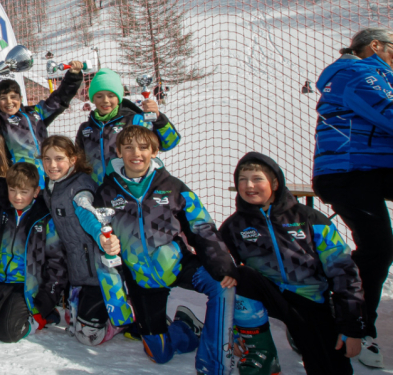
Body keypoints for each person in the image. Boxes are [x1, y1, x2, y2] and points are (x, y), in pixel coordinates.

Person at [95, 125, 237, 375]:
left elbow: (201, 226)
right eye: (128, 147)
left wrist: (222, 265)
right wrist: (103, 243)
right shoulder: (106, 192)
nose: (135, 153)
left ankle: (212, 361)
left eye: (143, 147)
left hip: (179, 265)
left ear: (154, 150)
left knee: (221, 286)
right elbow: (99, 235)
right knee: (159, 354)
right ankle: (185, 328)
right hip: (142, 280)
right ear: (118, 151)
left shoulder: (172, 186)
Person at [221, 153, 364, 375]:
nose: (249, 185)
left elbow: (344, 270)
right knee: (239, 274)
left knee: (331, 367)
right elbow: (220, 269)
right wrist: (233, 330)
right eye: (242, 178)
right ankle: (260, 352)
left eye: (257, 178)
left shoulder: (309, 218)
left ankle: (303, 335)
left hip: (309, 300)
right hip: (269, 294)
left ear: (275, 183)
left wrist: (352, 326)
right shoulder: (233, 226)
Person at [311, 27, 393, 368]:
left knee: (378, 248)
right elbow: (388, 114)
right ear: (374, 46)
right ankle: (351, 321)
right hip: (350, 172)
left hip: (369, 168)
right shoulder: (357, 72)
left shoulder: (372, 73)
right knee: (377, 248)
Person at [0, 163, 66, 343]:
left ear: (36, 192)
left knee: (8, 333)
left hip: (26, 286)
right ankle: (5, 310)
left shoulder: (44, 219)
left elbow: (56, 261)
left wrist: (47, 297)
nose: (17, 197)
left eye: (24, 192)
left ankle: (43, 317)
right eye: (12, 190)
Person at [40, 135, 118, 346]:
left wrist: (100, 235)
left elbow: (87, 213)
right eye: (46, 159)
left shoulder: (79, 185)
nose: (52, 165)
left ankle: (122, 318)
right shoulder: (52, 184)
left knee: (88, 336)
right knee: (71, 324)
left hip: (95, 272)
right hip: (75, 272)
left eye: (59, 158)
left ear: (73, 159)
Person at [0, 61, 85, 187]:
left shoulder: (36, 113)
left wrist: (73, 76)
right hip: (20, 180)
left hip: (48, 176)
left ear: (20, 99)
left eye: (13, 97)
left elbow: (58, 100)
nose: (9, 102)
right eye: (3, 98)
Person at [76, 67, 180, 185]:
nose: (105, 100)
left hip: (128, 191)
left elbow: (170, 143)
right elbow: (78, 162)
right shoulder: (86, 129)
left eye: (111, 95)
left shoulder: (135, 121)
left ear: (119, 97)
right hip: (97, 192)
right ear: (92, 98)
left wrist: (159, 118)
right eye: (99, 96)